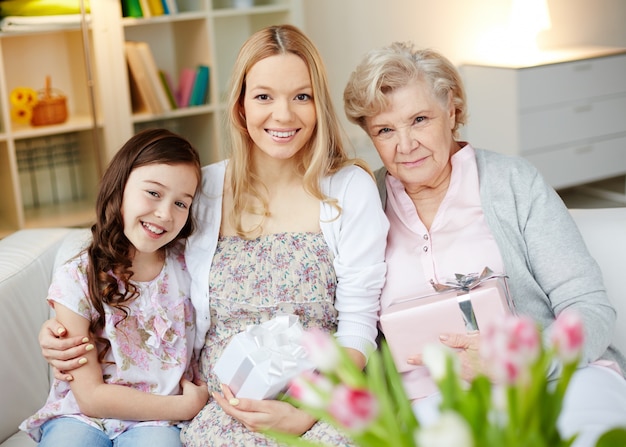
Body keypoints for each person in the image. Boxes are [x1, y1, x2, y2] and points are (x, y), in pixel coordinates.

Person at [37, 25, 389, 446]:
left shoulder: (349, 187)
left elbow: (357, 328)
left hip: (319, 398)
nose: (283, 115)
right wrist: (62, 329)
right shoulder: (201, 191)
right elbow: (121, 253)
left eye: (302, 96)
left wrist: (307, 410)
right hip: (223, 406)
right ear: (240, 105)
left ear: (318, 104)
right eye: (263, 96)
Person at [342, 42, 626, 446]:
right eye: (385, 130)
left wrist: (522, 359)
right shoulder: (362, 200)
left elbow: (589, 308)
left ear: (452, 112)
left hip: (554, 381)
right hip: (433, 405)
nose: (405, 145)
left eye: (419, 119)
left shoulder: (513, 182)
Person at [20, 128, 208, 446]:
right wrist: (185, 406)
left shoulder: (190, 267)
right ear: (119, 188)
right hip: (81, 416)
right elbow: (90, 396)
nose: (164, 213)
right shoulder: (79, 274)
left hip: (157, 421)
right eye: (153, 193)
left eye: (181, 203)